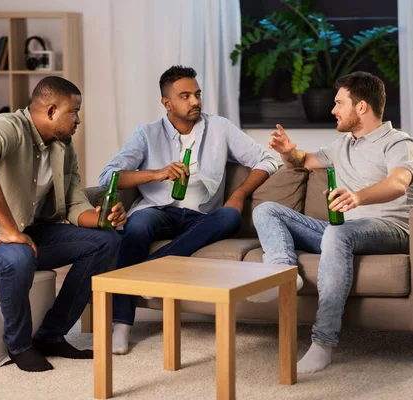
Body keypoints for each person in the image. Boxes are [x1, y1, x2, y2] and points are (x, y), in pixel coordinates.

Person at [0, 76, 126, 372]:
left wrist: (103, 218)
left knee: (106, 240)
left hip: (25, 234)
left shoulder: (64, 148)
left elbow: (76, 204)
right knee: (18, 255)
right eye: (73, 112)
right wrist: (9, 229)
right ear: (51, 111)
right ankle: (20, 345)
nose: (78, 121)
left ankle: (52, 335)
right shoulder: (7, 126)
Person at [99, 65, 279, 354]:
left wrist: (239, 194)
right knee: (138, 225)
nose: (195, 101)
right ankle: (121, 324)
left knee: (230, 215)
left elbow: (267, 160)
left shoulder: (220, 128)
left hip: (203, 217)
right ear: (167, 103)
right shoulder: (146, 134)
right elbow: (109, 176)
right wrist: (156, 173)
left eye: (197, 94)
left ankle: (149, 272)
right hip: (159, 210)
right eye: (185, 96)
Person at [250, 71, 413, 374]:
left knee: (338, 234)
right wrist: (289, 151)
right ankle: (283, 273)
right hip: (342, 232)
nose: (333, 110)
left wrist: (358, 197)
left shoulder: (398, 142)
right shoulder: (343, 145)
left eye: (339, 103)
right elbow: (304, 160)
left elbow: (398, 183)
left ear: (362, 107)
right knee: (267, 211)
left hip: (390, 229)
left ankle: (323, 344)